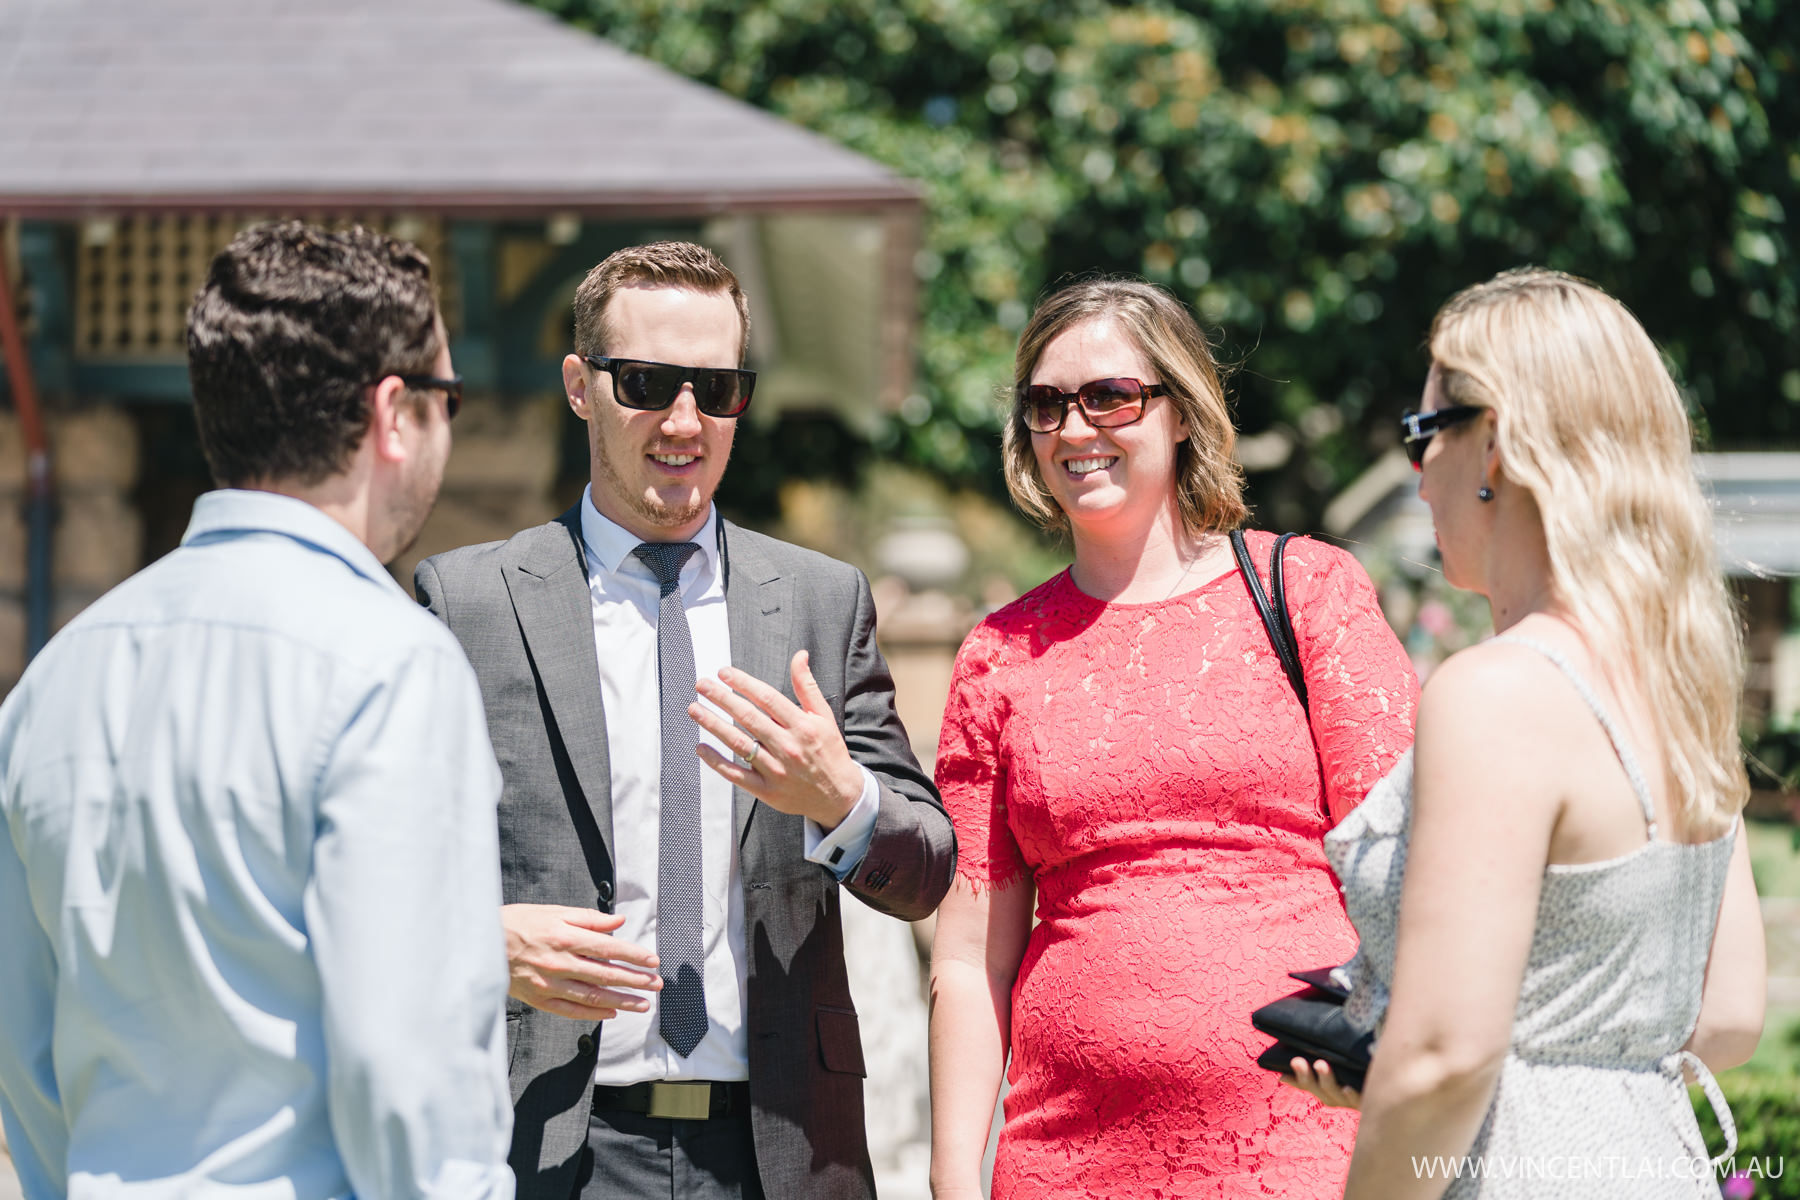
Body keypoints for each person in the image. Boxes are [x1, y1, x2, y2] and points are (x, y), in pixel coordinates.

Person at [414, 240, 955, 1200]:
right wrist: (483, 938)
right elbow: (385, 877)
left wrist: (842, 800)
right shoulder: (470, 603)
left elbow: (926, 874)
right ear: (580, 387)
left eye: (717, 387)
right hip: (549, 1145)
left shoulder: (821, 603)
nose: (683, 419)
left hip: (779, 1150)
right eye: (649, 382)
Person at [0, 221, 514, 1199]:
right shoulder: (393, 665)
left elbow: (22, 1050)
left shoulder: (51, 682)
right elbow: (403, 1070)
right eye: (450, 399)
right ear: (394, 413)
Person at [927, 278, 1419, 1199]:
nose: (1075, 428)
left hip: (1304, 1140)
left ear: (1181, 411)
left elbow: (1410, 870)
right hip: (1064, 1155)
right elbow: (968, 958)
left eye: (1110, 395)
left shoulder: (1305, 591)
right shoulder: (997, 653)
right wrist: (955, 1180)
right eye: (1046, 403)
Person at [1286, 268, 1766, 1199]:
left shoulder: (1498, 692)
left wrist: (1435, 1097)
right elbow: (1731, 1017)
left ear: (1497, 444)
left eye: (1424, 435)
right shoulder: (1681, 686)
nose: (1417, 475)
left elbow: (1442, 1059)